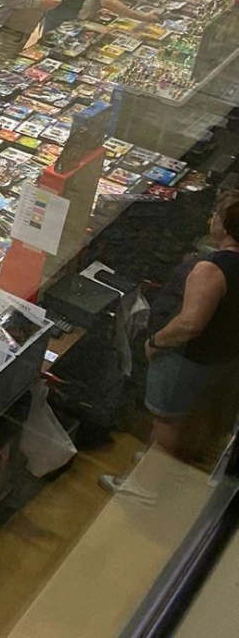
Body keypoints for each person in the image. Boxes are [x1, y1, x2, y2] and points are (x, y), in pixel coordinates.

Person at [102, 195, 239, 505]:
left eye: (216, 215)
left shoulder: (211, 269)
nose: (211, 220)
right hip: (217, 359)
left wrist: (155, 342)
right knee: (179, 419)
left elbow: (189, 323)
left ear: (226, 225)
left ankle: (144, 487)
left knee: (166, 422)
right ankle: (155, 461)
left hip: (186, 360)